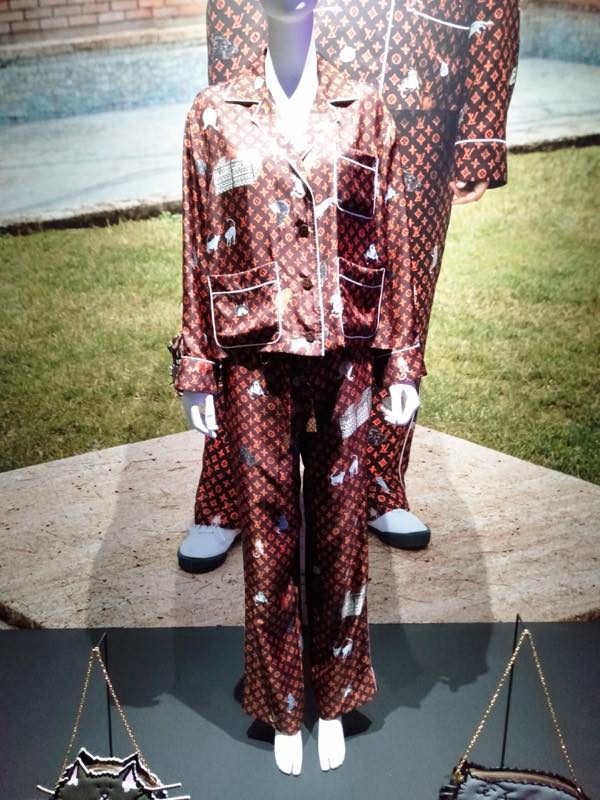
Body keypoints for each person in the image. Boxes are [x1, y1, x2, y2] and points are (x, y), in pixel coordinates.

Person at [177, 0, 520, 574]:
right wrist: (234, 98)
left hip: (416, 95)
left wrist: (480, 134)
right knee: (248, 304)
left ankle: (378, 482)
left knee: (394, 295)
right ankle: (227, 493)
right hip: (289, 79)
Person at [171, 0, 425, 773]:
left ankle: (337, 694)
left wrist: (402, 359)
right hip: (255, 353)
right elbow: (197, 243)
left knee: (343, 533)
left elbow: (393, 234)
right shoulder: (215, 113)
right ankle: (282, 700)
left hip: (346, 350)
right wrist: (197, 363)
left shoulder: (363, 108)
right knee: (268, 534)